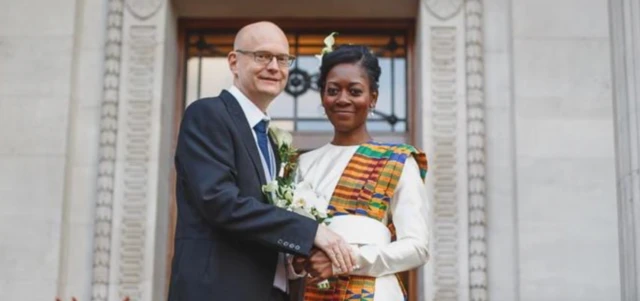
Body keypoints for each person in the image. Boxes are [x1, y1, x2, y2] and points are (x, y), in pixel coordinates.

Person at [168, 21, 356, 301]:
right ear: (234, 62)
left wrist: (295, 259)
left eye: (282, 59)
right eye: (262, 56)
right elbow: (219, 201)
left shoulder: (270, 140)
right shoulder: (208, 115)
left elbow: (265, 220)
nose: (274, 67)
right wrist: (310, 231)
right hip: (218, 291)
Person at [289, 44, 431, 300]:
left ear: (373, 98)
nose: (343, 99)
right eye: (333, 91)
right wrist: (297, 262)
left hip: (373, 292)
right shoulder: (302, 164)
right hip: (311, 292)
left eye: (354, 91)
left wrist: (347, 259)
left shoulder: (397, 160)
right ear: (323, 97)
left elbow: (417, 248)